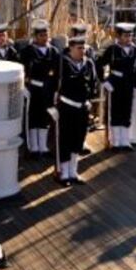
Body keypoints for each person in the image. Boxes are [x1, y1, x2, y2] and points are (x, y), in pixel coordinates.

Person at [55, 37, 99, 184]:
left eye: (84, 48)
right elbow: (54, 84)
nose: (83, 51)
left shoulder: (89, 63)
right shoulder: (62, 63)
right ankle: (64, 173)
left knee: (78, 140)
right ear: (71, 48)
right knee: (65, 140)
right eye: (79, 48)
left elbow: (93, 83)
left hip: (82, 108)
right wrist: (52, 106)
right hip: (67, 107)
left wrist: (89, 101)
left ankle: (73, 171)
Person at [97, 23, 136, 152]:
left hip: (128, 83)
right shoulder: (112, 50)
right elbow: (99, 64)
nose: (128, 38)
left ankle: (125, 140)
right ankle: (116, 141)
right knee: (115, 111)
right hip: (115, 84)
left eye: (130, 36)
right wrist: (104, 81)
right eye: (125, 36)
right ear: (119, 36)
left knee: (126, 111)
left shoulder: (134, 49)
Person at [20, 20, 59, 157]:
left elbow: (57, 74)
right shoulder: (27, 51)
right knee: (32, 118)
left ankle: (43, 146)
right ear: (35, 36)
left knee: (44, 117)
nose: (44, 38)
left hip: (47, 90)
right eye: (41, 35)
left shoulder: (53, 52)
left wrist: (56, 90)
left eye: (46, 35)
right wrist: (23, 87)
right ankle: (33, 147)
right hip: (32, 90)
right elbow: (21, 71)